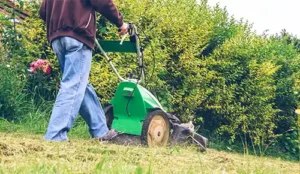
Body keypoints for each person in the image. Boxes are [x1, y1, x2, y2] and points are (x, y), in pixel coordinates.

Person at [39, 0, 128, 141]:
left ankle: (101, 131)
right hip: (77, 34)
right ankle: (55, 136)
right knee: (73, 85)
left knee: (79, 84)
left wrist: (60, 21)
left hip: (56, 38)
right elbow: (103, 2)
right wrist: (120, 23)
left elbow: (43, 11)